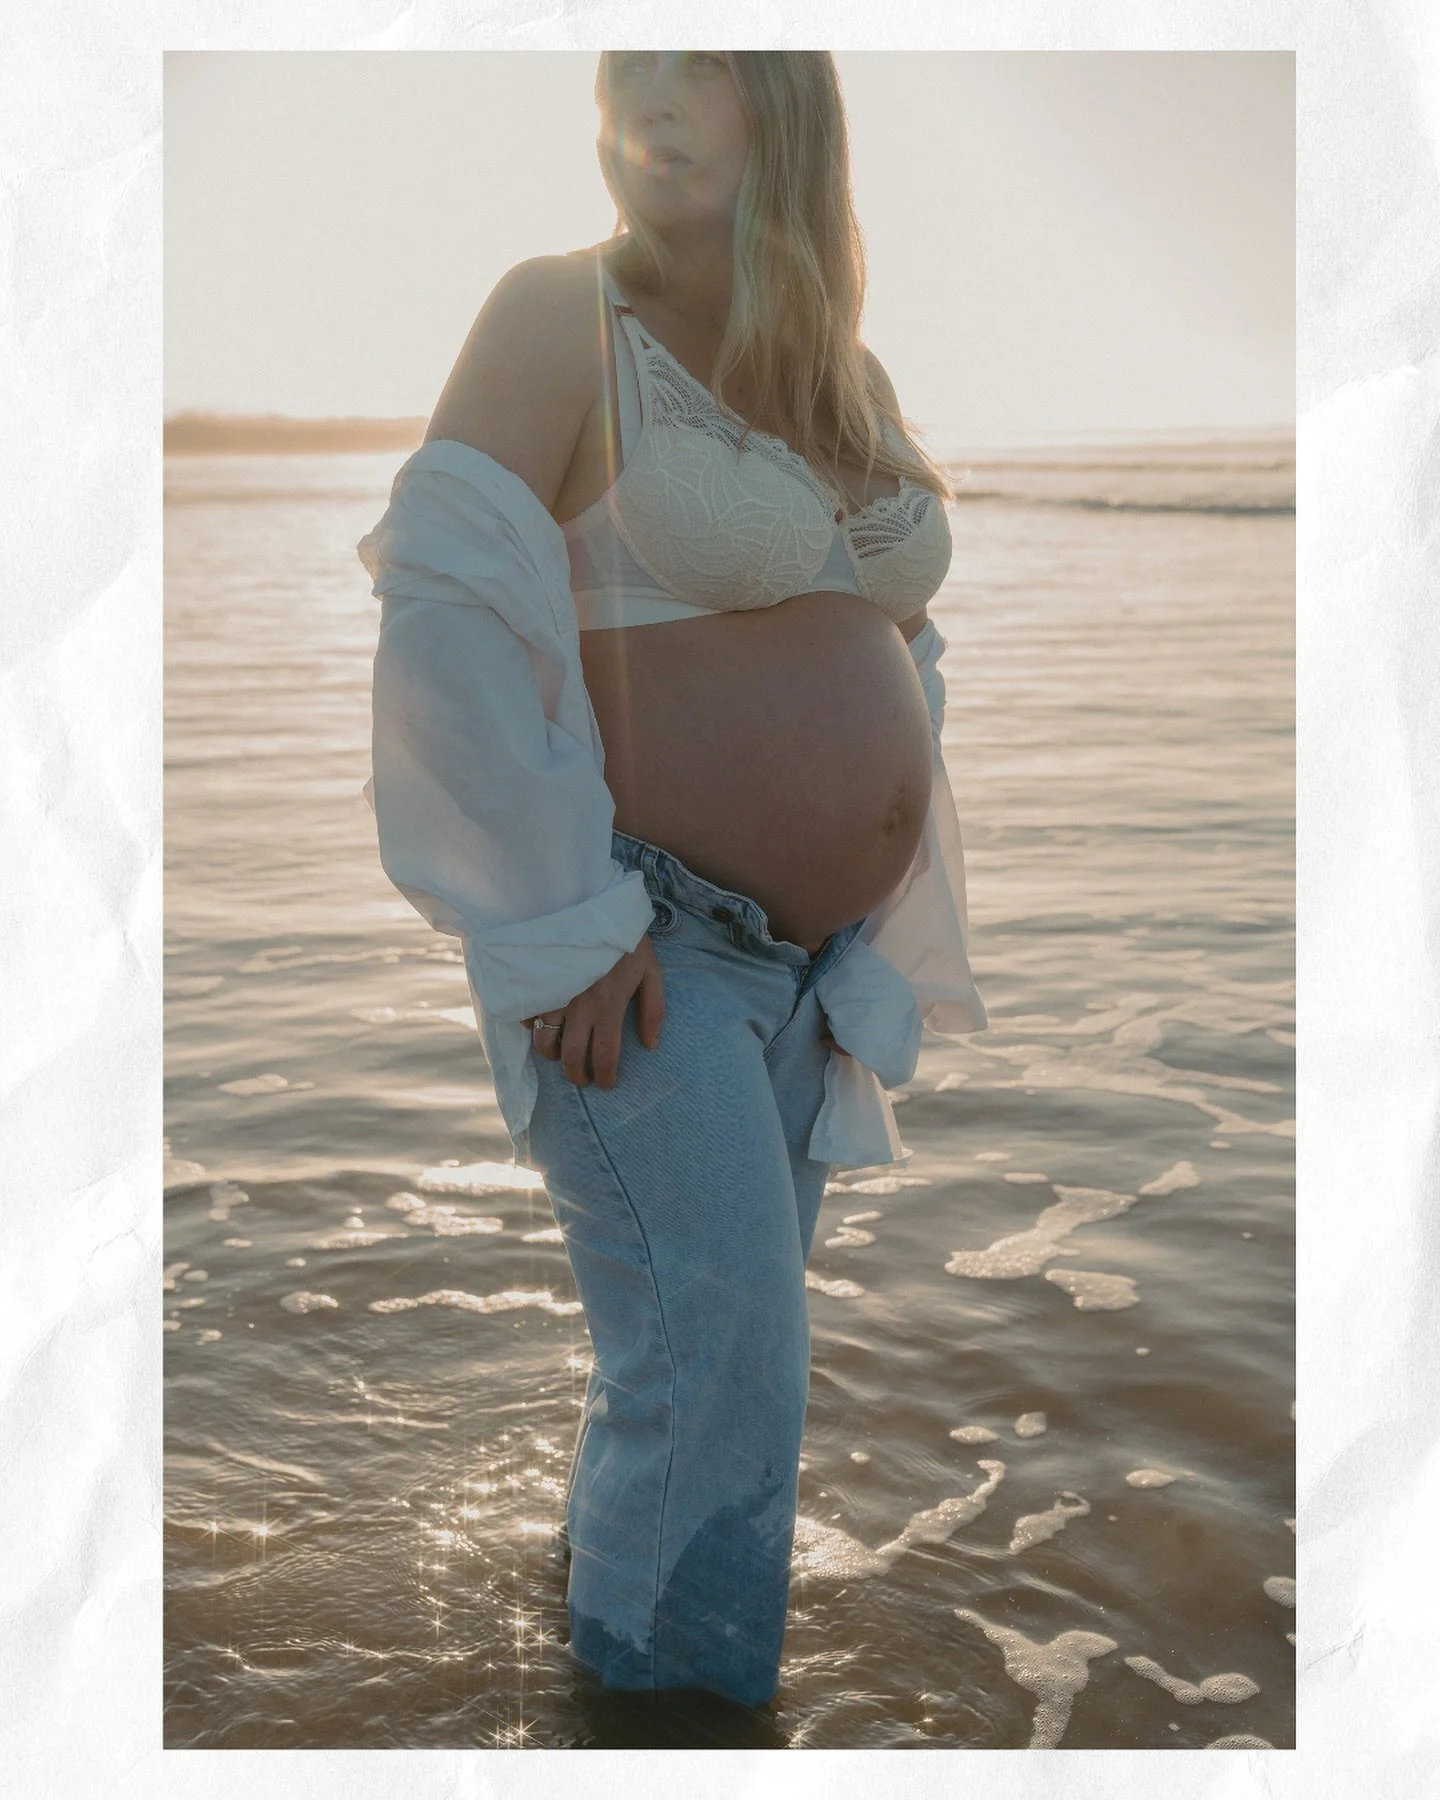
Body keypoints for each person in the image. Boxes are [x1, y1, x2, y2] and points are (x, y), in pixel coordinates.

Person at [357, 51, 988, 1713]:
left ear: (783, 101)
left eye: (691, 65)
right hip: (646, 947)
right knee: (722, 1381)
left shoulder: (844, 370)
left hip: (801, 972)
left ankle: (594, 1685)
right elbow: (444, 615)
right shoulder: (559, 311)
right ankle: (674, 1730)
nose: (647, 96)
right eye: (626, 66)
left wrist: (865, 898)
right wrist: (562, 924)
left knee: (697, 1380)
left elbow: (889, 644)